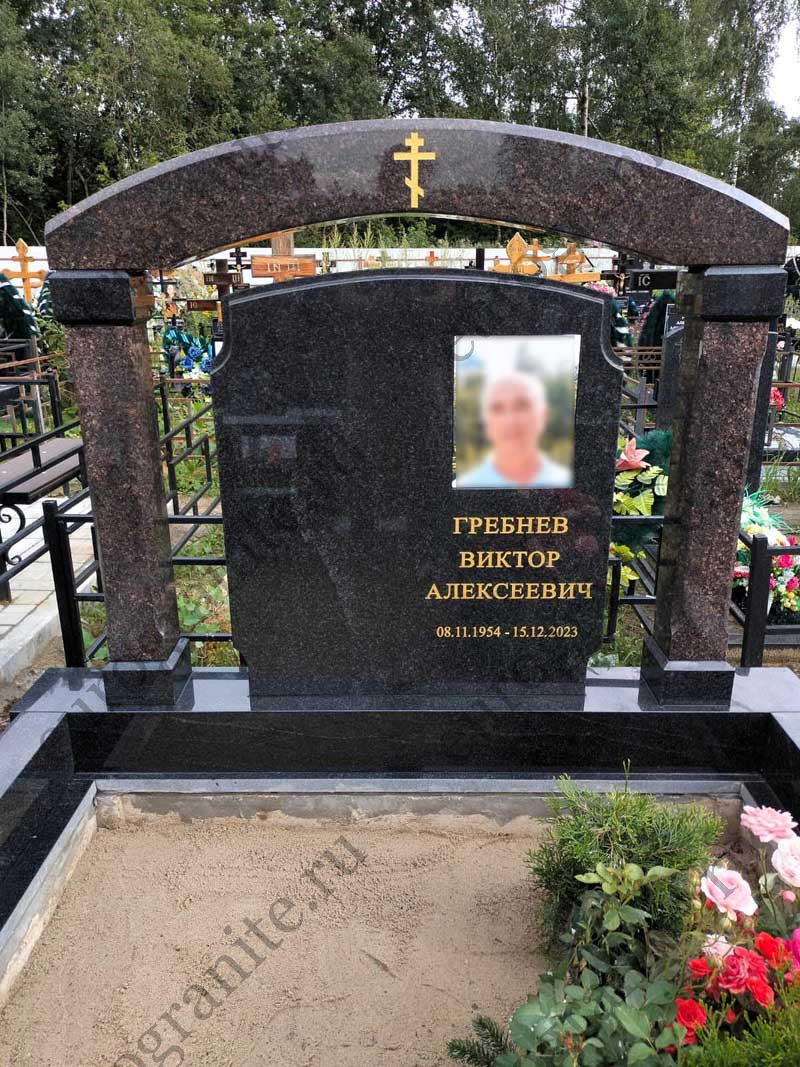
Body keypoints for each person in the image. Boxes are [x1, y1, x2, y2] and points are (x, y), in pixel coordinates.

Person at [458, 371, 572, 488]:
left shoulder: (568, 484)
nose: (510, 421)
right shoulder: (464, 487)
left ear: (544, 416)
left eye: (522, 406)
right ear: (486, 423)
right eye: (497, 409)